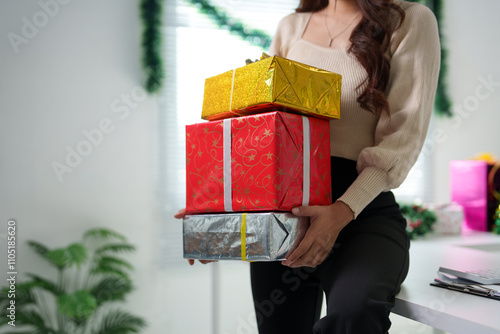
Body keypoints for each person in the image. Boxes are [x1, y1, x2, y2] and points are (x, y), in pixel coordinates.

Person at [176, 0, 440, 332]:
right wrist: (217, 209)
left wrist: (343, 210)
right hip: (285, 210)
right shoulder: (291, 27)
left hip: (361, 208)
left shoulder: (409, 20)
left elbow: (402, 141)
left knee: (355, 313)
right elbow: (259, 132)